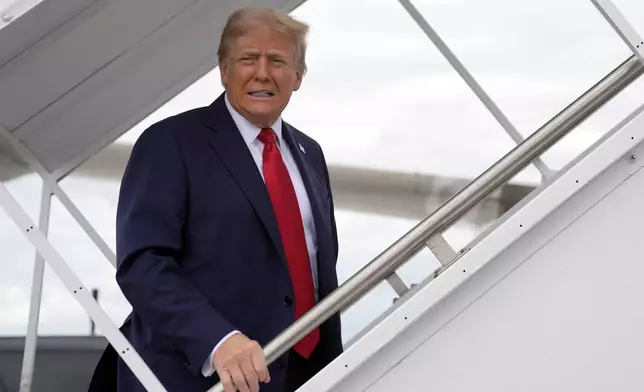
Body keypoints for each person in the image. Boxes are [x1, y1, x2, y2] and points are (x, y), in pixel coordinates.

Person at [89, 7, 342, 392]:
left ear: (298, 77)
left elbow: (317, 272)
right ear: (224, 70)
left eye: (277, 61)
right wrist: (217, 341)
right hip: (196, 378)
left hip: (303, 376)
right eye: (247, 59)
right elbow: (143, 264)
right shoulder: (170, 143)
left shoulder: (311, 154)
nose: (262, 72)